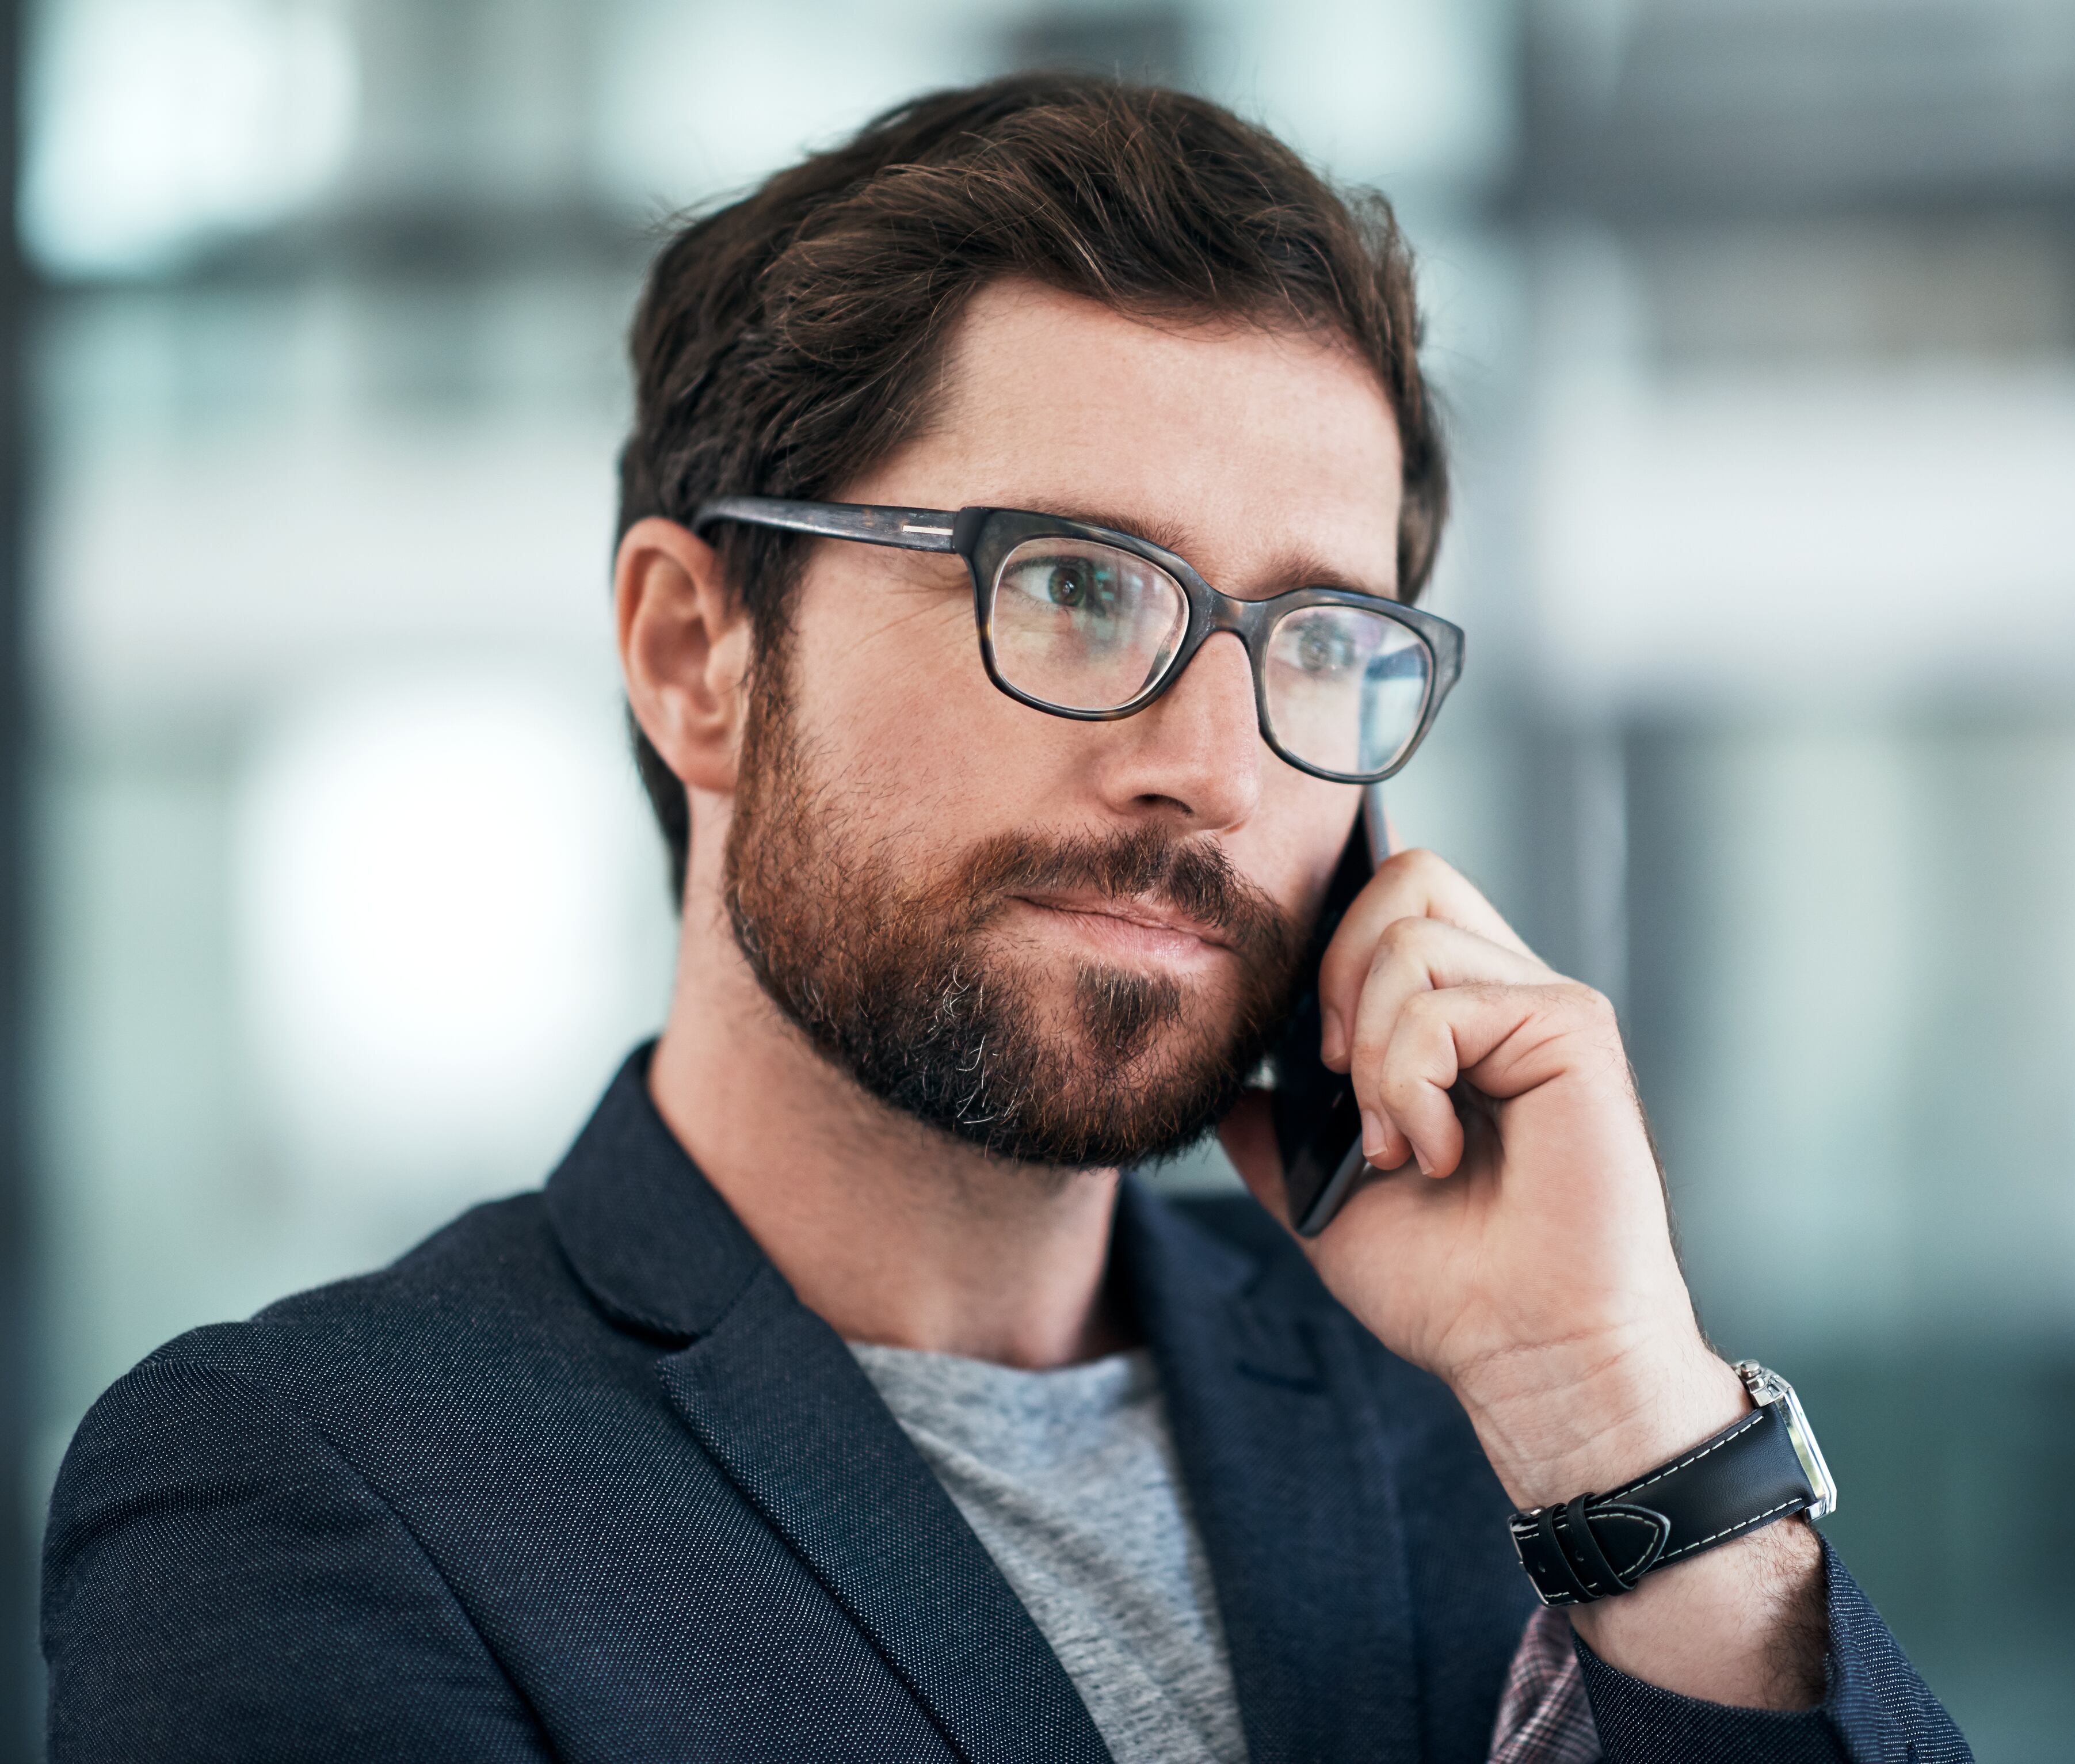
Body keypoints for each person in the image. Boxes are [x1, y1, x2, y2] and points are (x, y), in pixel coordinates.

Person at [41, 74, 1970, 1764]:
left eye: (1316, 640)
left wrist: (1625, 1421)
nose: (1211, 769)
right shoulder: (311, 1488)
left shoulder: (1490, 1426)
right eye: (1072, 586)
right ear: (698, 652)